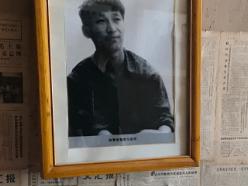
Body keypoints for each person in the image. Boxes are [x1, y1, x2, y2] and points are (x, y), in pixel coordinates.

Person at [67, 0, 174, 136]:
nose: (112, 29)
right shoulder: (77, 80)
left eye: (116, 19)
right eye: (101, 21)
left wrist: (159, 134)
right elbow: (75, 132)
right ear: (87, 31)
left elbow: (165, 122)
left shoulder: (147, 75)